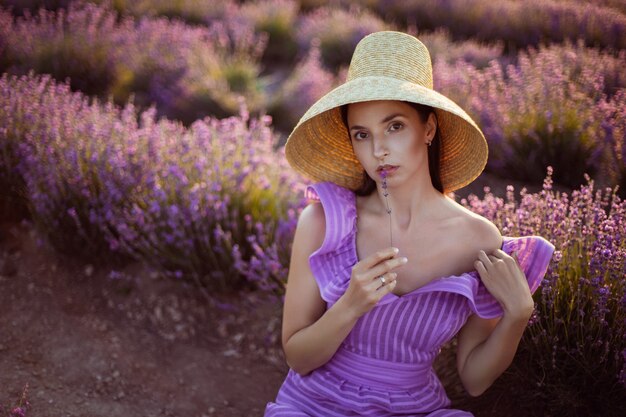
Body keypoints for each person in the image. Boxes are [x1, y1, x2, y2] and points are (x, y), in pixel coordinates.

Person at [265, 31, 555, 416]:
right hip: (315, 405)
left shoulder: (478, 239)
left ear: (429, 129)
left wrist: (517, 315)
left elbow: (474, 378)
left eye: (395, 126)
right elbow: (299, 358)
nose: (378, 149)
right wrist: (349, 306)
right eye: (362, 135)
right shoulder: (322, 221)